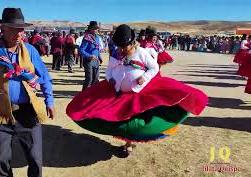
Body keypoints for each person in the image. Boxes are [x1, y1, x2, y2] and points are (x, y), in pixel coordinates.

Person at [66, 24, 208, 157]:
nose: (121, 49)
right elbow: (109, 71)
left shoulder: (142, 52)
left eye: (124, 46)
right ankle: (128, 142)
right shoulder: (116, 53)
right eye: (119, 46)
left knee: (134, 121)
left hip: (138, 93)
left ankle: (129, 144)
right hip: (117, 93)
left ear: (132, 43)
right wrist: (110, 79)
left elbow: (154, 68)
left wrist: (144, 77)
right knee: (95, 111)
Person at [0, 8, 55, 177]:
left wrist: (49, 100)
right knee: (1, 160)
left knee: (35, 159)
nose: (20, 33)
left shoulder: (30, 51)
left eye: (21, 29)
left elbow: (45, 78)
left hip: (28, 113)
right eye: (14, 29)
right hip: (2, 114)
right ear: (2, 28)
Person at [79, 21, 103, 90]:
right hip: (88, 61)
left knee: (96, 79)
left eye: (97, 29)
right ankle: (84, 95)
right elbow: (81, 50)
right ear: (90, 29)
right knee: (89, 79)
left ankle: (92, 95)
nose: (96, 30)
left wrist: (99, 57)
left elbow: (97, 49)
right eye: (94, 29)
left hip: (96, 61)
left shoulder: (98, 38)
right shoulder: (86, 38)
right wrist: (90, 56)